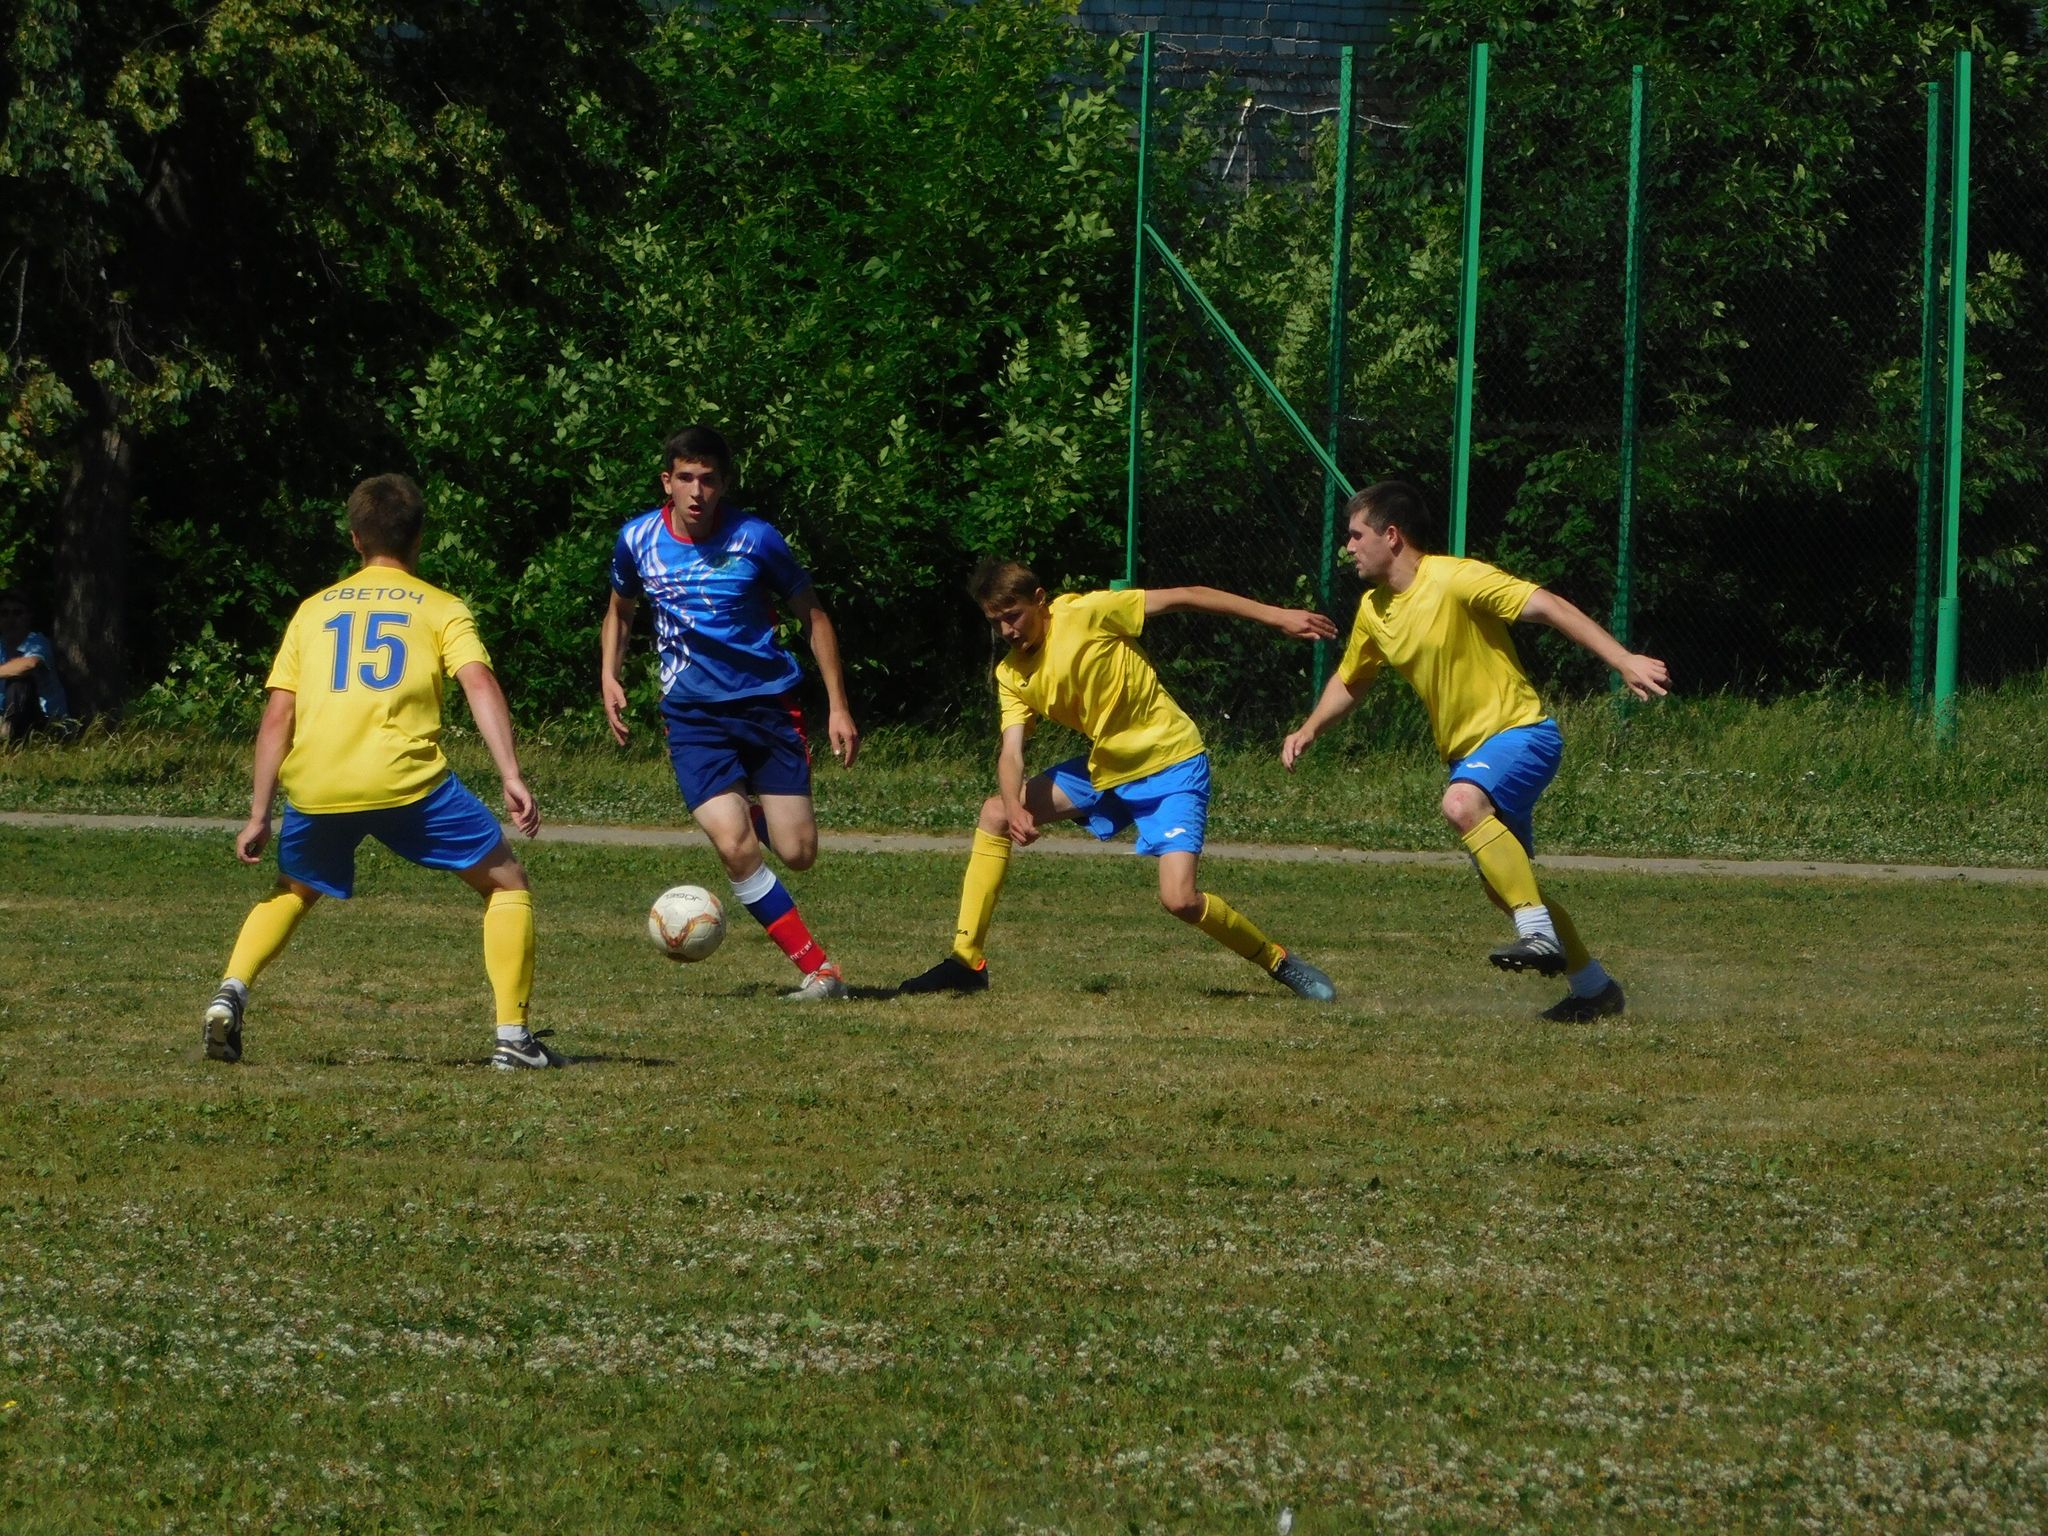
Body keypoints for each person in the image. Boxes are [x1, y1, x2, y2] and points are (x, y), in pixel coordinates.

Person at [201, 474, 556, 1069]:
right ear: (419, 538)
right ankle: (514, 1040)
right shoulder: (441, 607)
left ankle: (230, 992)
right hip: (405, 781)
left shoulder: (312, 611)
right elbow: (479, 683)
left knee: (293, 890)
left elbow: (277, 717)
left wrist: (260, 813)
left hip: (318, 782)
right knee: (506, 885)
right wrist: (511, 773)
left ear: (354, 538)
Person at [1281, 480, 1671, 1021]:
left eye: (1355, 535)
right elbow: (1352, 680)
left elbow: (1548, 605)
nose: (1347, 547)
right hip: (1470, 755)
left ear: (1391, 536)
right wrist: (1309, 729)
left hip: (1521, 734)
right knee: (1505, 887)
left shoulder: (1456, 577)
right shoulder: (1374, 609)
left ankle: (1538, 935)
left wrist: (1622, 659)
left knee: (1462, 806)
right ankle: (1594, 988)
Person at [900, 560, 1340, 1000]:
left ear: (1040, 601)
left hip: (1171, 762)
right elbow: (1011, 752)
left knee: (1180, 899)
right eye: (996, 623)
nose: (1008, 631)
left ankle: (1277, 961)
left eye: (1012, 616)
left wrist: (1277, 615)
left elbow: (1187, 595)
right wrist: (1015, 807)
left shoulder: (1087, 612)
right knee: (995, 811)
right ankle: (966, 960)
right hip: (1105, 770)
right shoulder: (1012, 674)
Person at [601, 424, 859, 1000]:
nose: (697, 491)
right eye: (685, 478)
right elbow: (621, 611)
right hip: (694, 717)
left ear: (724, 484)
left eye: (708, 479)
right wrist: (608, 675)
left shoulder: (756, 539)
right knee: (734, 846)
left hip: (768, 709)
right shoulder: (637, 539)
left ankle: (747, 808)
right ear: (666, 481)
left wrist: (838, 706)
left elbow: (813, 615)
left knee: (799, 853)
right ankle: (819, 971)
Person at [0, 587, 72, 742]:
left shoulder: (37, 642)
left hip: (47, 724)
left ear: (28, 616)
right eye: (4, 613)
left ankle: (10, 738)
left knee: (19, 682)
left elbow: (29, 665)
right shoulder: (1, 647)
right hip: (7, 717)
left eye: (17, 613)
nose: (10, 619)